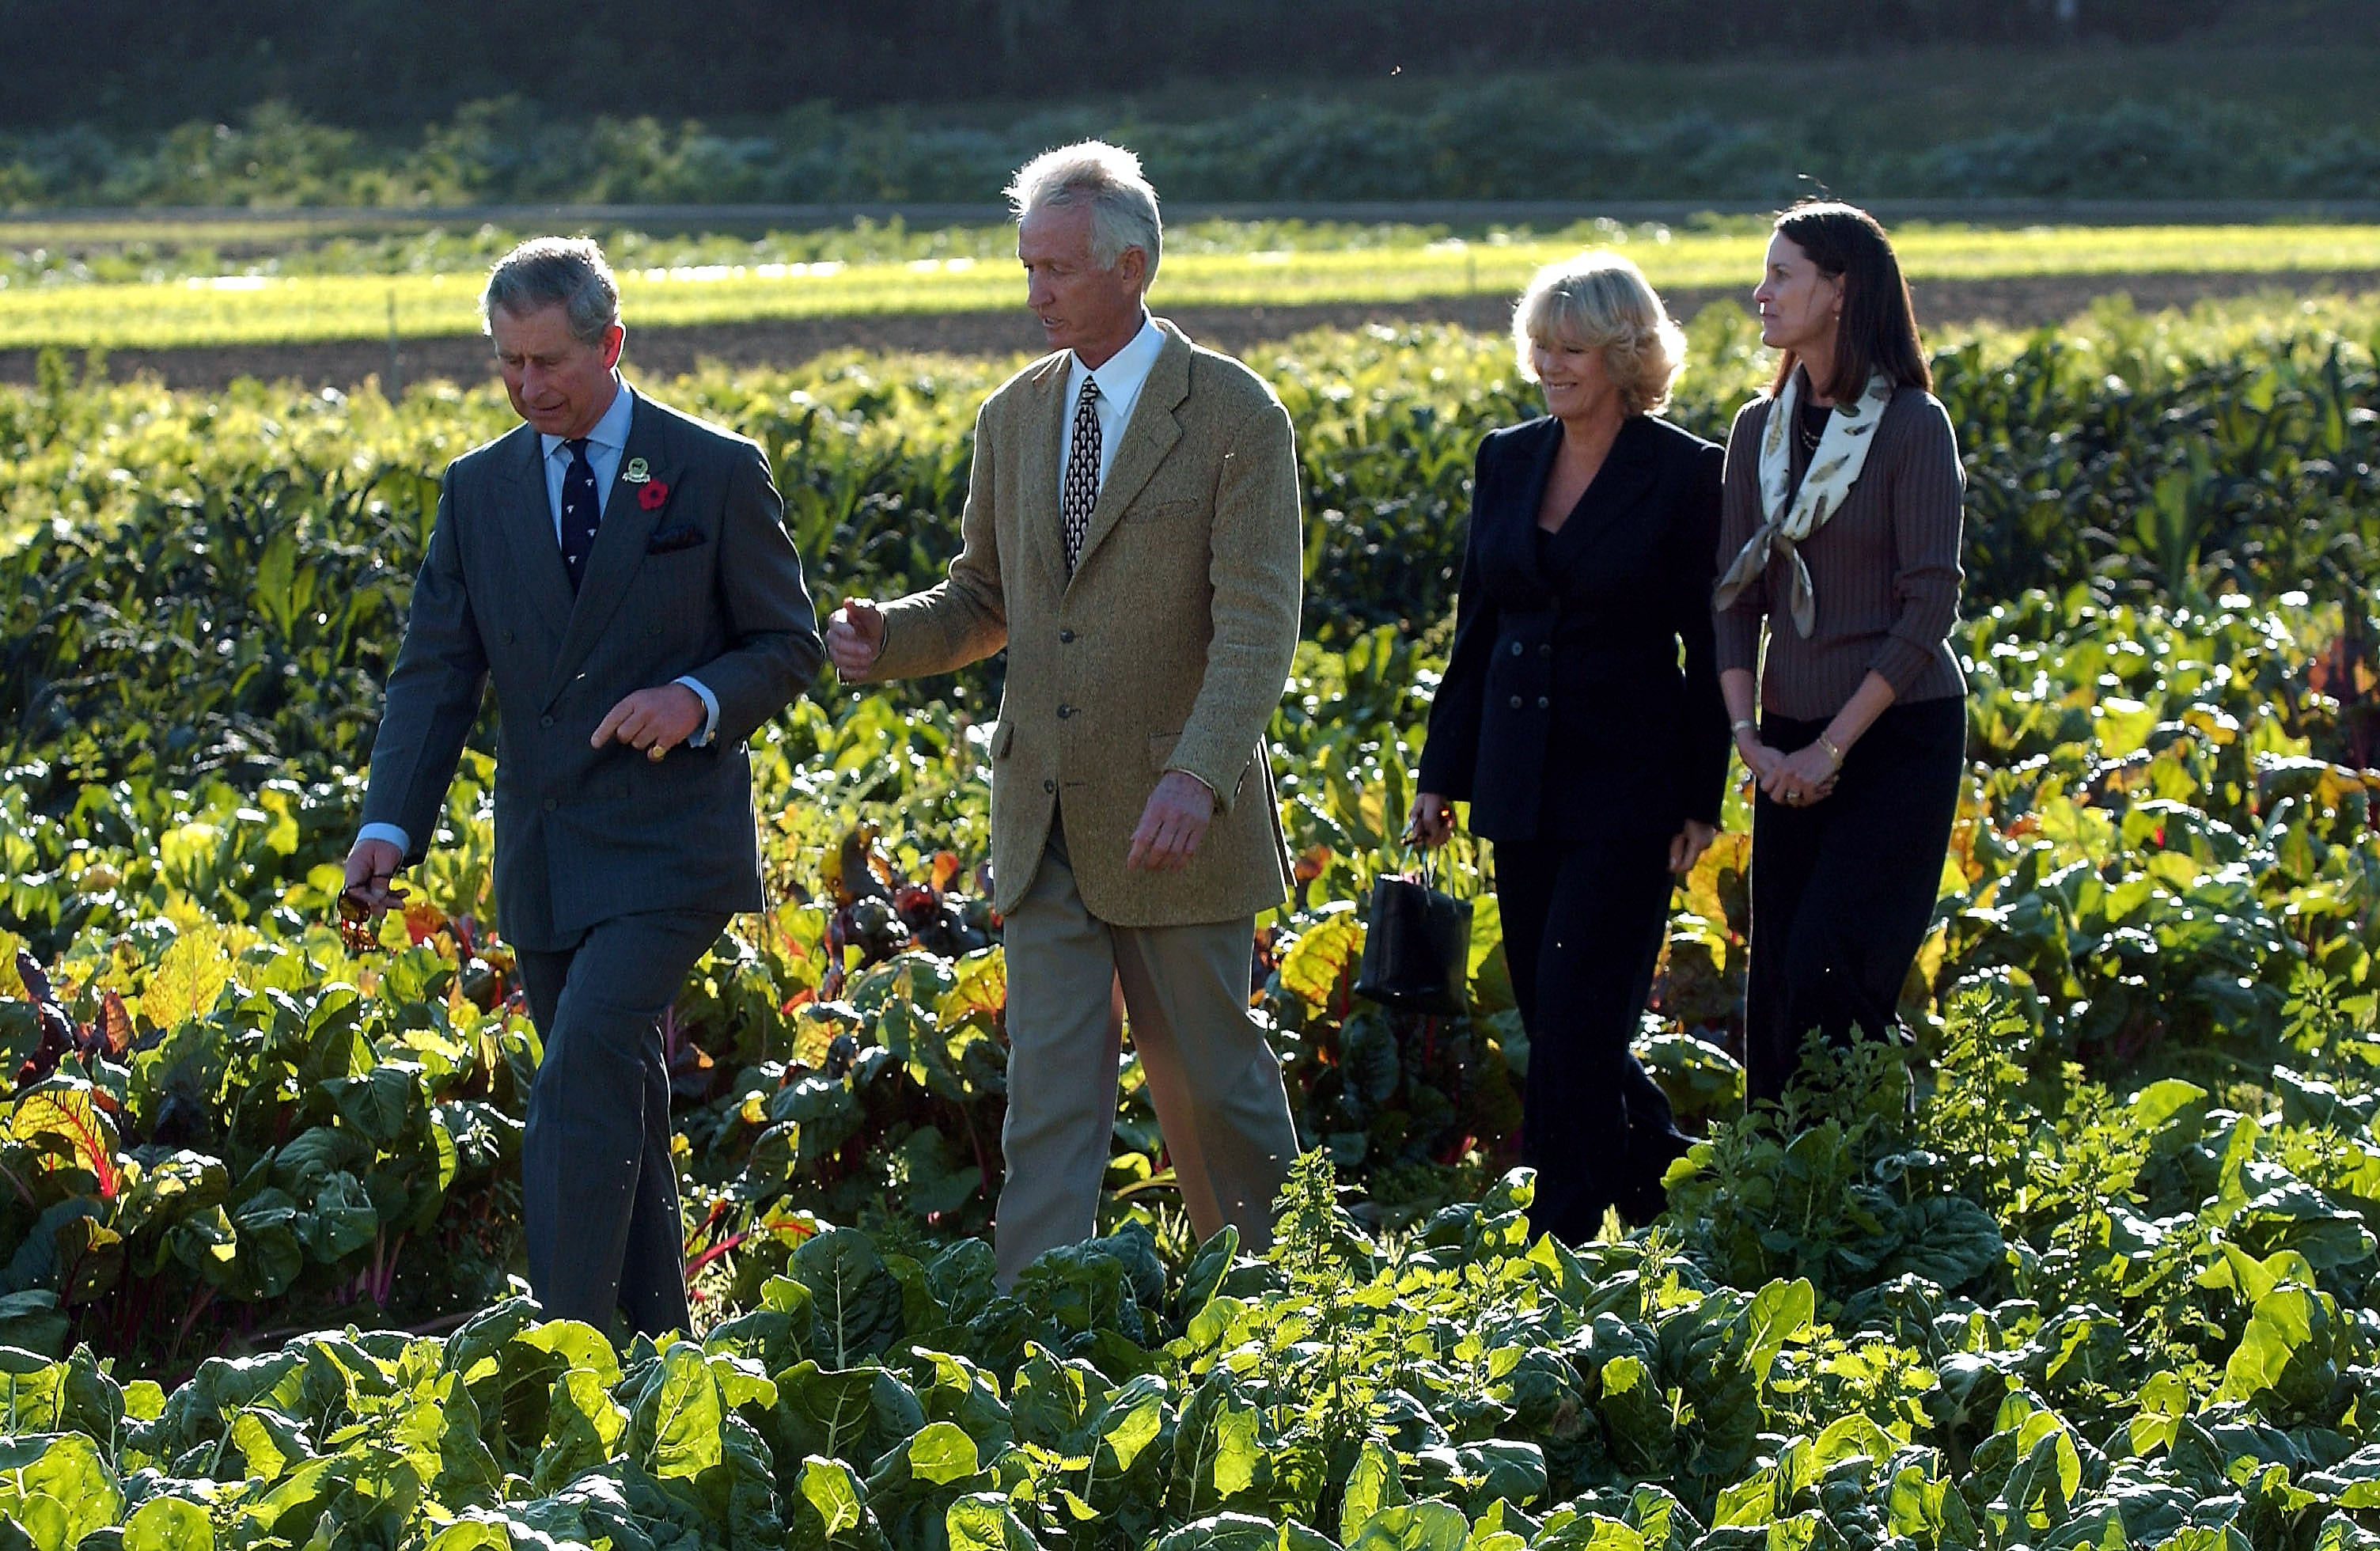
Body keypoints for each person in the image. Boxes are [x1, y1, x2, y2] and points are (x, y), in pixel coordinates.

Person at [825, 142, 1304, 1286]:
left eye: (1056, 269)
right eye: (1025, 265)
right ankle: (1033, 1324)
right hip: (1040, 813)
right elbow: (987, 598)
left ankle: (1286, 1306)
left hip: (1175, 810)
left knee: (1211, 1083)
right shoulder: (1016, 416)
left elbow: (1258, 622)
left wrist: (1199, 774)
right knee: (1047, 1090)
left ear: (1130, 266)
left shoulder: (1236, 415)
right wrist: (888, 637)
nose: (1034, 292)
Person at [341, 237, 824, 1336]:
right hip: (550, 855)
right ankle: (660, 1346)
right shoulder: (478, 491)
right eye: (506, 363)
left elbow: (785, 644)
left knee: (577, 1076)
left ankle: (564, 1354)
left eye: (548, 361)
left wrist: (694, 697)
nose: (526, 387)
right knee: (621, 1102)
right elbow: (436, 674)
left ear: (611, 344)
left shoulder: (709, 470)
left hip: (670, 851)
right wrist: (388, 825)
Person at [1406, 252, 1728, 1242]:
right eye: (1540, 344)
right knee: (1554, 1019)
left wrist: (1700, 796)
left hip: (1628, 782)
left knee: (1583, 1013)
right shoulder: (1505, 456)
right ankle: (1659, 1182)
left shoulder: (1684, 472)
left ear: (1626, 354)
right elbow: (1476, 625)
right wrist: (1438, 772)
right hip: (1516, 778)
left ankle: (1560, 1236)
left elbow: (1711, 641)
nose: (1549, 363)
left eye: (1572, 348)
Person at [1712, 200, 1966, 1106]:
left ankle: (1859, 1178)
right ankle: (1775, 1193)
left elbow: (1928, 602)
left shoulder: (1910, 428)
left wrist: (1833, 748)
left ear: (1839, 290)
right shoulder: (1757, 430)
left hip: (1895, 732)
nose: (1761, 292)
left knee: (1836, 967)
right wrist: (1754, 741)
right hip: (1785, 737)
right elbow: (1734, 596)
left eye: (1781, 274)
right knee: (1777, 977)